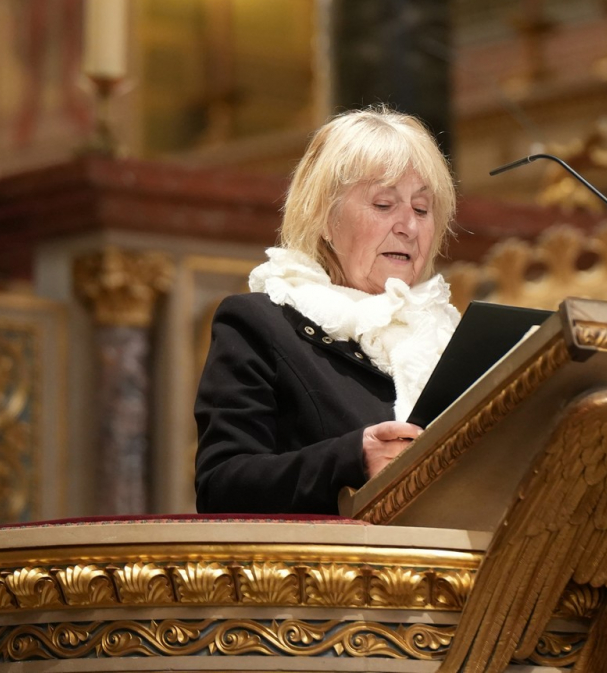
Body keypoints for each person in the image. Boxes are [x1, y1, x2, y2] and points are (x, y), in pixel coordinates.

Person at [194, 106, 459, 514]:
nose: (409, 226)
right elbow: (221, 486)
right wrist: (351, 460)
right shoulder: (260, 325)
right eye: (384, 204)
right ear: (324, 217)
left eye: (422, 209)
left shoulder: (448, 337)